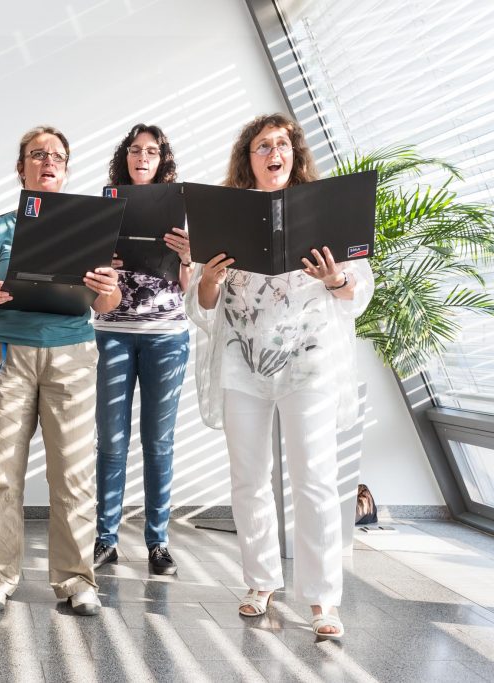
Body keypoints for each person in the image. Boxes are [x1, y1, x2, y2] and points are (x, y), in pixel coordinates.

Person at [184, 113, 375, 639]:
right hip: (243, 365)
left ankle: (321, 601)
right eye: (262, 145)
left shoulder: (327, 211)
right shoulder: (224, 216)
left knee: (314, 479)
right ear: (248, 159)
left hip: (309, 364)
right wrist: (210, 277)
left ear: (295, 153)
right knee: (249, 479)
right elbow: (201, 306)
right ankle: (260, 581)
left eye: (282, 144)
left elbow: (357, 291)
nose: (275, 152)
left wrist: (335, 277)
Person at [0, 126, 121, 616]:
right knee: (1, 474)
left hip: (72, 355)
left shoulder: (90, 227)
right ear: (21, 168)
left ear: (67, 168)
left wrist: (107, 285)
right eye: (37, 155)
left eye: (56, 156)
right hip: (7, 354)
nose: (47, 162)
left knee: (73, 475)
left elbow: (109, 305)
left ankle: (76, 580)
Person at [93, 125, 191, 575]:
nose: (142, 157)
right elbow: (87, 274)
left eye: (151, 151)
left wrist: (189, 257)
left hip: (166, 337)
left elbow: (192, 288)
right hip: (112, 331)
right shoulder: (104, 205)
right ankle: (105, 538)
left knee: (159, 442)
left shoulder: (183, 211)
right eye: (135, 150)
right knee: (111, 442)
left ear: (162, 158)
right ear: (125, 157)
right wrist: (100, 261)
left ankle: (158, 542)